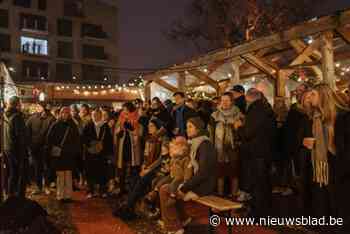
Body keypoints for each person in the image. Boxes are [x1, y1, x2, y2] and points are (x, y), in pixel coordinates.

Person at [159, 117, 217, 233]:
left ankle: (175, 227)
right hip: (194, 182)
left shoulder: (205, 145)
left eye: (190, 127)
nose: (187, 129)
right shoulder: (193, 143)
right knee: (165, 186)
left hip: (203, 186)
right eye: (187, 127)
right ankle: (183, 219)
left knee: (165, 190)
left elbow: (203, 173)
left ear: (198, 128)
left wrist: (185, 187)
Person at [235, 88, 276, 218]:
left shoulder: (255, 110)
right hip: (265, 151)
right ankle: (264, 208)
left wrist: (239, 127)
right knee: (263, 182)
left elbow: (248, 133)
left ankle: (258, 212)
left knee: (258, 183)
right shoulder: (265, 108)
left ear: (248, 98)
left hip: (257, 152)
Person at [209, 92, 241, 198]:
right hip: (219, 148)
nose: (224, 103)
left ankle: (234, 195)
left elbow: (242, 133)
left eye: (227, 100)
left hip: (233, 148)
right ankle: (220, 195)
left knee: (234, 173)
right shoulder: (215, 116)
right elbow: (211, 133)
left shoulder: (238, 115)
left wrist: (237, 128)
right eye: (222, 100)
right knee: (220, 173)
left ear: (232, 101)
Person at [47, 107, 81, 202]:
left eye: (67, 112)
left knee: (68, 175)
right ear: (60, 114)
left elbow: (77, 139)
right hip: (60, 154)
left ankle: (68, 195)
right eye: (63, 112)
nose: (65, 114)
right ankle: (61, 195)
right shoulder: (55, 125)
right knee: (61, 175)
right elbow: (50, 139)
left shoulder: (73, 125)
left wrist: (75, 151)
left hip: (69, 154)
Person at [83, 108, 113, 199]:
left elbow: (109, 140)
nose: (95, 117)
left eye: (97, 115)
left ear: (101, 116)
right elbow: (83, 138)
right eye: (93, 115)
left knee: (102, 172)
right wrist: (90, 144)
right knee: (90, 172)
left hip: (102, 153)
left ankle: (102, 190)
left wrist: (108, 152)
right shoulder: (88, 125)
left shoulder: (105, 126)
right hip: (90, 152)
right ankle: (90, 191)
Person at [26, 102, 56, 195]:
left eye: (39, 106)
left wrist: (49, 146)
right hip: (34, 148)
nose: (37, 108)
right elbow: (27, 132)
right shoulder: (32, 118)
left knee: (46, 168)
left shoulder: (52, 119)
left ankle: (46, 186)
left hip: (46, 148)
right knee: (37, 168)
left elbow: (53, 135)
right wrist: (29, 145)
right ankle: (38, 187)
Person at [3, 96, 28, 198]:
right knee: (18, 174)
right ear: (17, 104)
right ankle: (16, 197)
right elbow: (21, 137)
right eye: (20, 103)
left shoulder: (5, 116)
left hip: (7, 148)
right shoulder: (17, 117)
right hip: (17, 150)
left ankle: (10, 194)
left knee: (11, 173)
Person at [115, 102, 141, 194]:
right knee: (122, 167)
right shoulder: (121, 116)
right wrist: (120, 129)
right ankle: (122, 188)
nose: (124, 111)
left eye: (126, 109)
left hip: (132, 146)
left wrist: (130, 128)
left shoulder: (136, 116)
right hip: (123, 145)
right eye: (123, 109)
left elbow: (139, 132)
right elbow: (117, 130)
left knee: (133, 168)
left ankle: (132, 188)